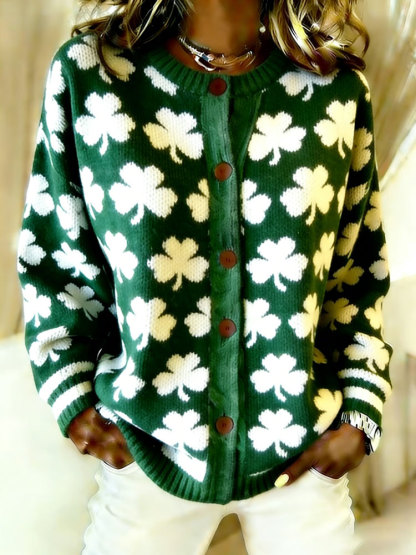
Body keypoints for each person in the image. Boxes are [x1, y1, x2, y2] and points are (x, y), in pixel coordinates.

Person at [18, 0, 393, 553]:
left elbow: (356, 275)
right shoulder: (93, 75)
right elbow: (54, 256)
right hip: (146, 445)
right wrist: (72, 401)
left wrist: (360, 415)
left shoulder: (333, 92)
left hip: (303, 455)